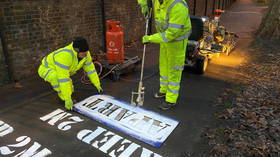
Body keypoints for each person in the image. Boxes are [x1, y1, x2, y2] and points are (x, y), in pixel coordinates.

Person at [138, 0, 192, 110]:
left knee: (174, 69)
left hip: (177, 40)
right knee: (163, 65)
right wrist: (143, 4)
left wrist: (150, 38)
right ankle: (163, 90)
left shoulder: (178, 6)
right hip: (164, 38)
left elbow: (171, 34)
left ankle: (171, 99)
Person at [38, 37, 102, 110]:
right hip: (46, 69)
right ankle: (62, 98)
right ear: (76, 51)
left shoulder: (85, 54)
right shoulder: (64, 56)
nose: (86, 54)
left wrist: (97, 84)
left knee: (69, 87)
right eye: (84, 53)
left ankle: (68, 95)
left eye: (87, 52)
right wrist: (67, 99)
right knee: (56, 78)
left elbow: (91, 69)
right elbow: (63, 79)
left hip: (61, 71)